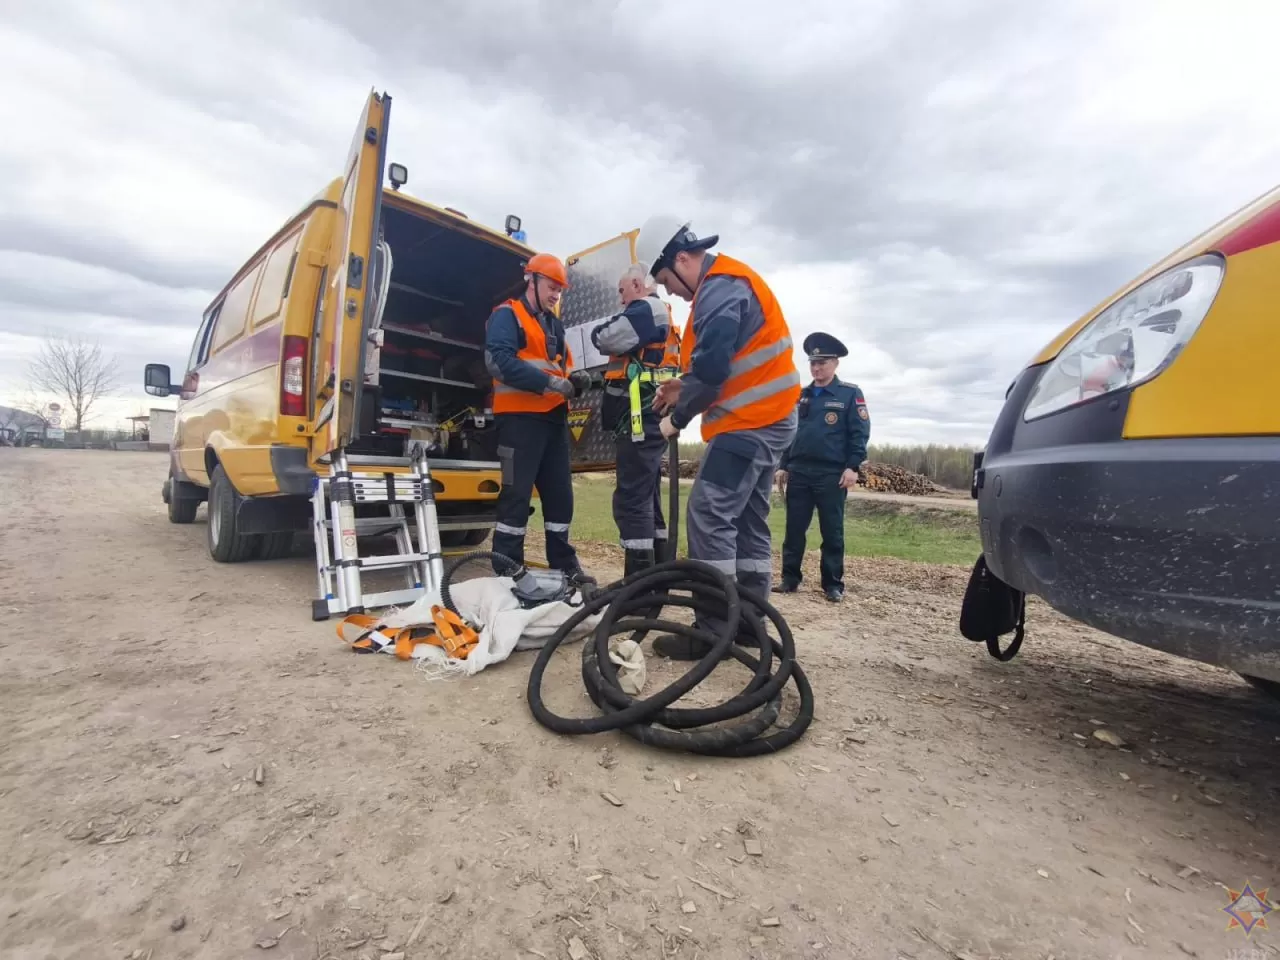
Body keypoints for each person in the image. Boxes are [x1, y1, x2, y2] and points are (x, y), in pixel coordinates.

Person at [635, 215, 802, 659]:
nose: (669, 290)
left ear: (683, 259)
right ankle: (748, 624)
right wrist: (681, 387)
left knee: (709, 515)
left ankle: (714, 630)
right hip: (769, 419)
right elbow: (719, 365)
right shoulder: (727, 284)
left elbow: (711, 373)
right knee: (746, 521)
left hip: (750, 424)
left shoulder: (720, 290)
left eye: (666, 279)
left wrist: (680, 416)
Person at [483, 252, 594, 586]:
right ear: (531, 280)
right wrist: (548, 382)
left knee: (560, 497)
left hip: (552, 421)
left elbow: (562, 366)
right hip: (519, 421)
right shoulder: (507, 315)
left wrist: (576, 379)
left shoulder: (553, 324)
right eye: (551, 286)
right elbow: (498, 362)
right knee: (516, 497)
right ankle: (507, 566)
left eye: (560, 289)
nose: (556, 294)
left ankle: (564, 564)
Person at [591, 263, 683, 575]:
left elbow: (605, 338)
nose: (620, 300)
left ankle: (638, 583)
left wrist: (597, 329)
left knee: (632, 500)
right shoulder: (663, 312)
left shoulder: (646, 309)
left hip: (638, 419)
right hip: (651, 416)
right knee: (648, 497)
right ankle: (656, 581)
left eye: (621, 291)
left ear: (635, 284)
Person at [775, 332, 870, 602]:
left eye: (823, 363)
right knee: (794, 529)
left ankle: (832, 584)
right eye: (813, 363)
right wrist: (784, 464)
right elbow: (790, 432)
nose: (817, 368)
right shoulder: (800, 395)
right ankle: (790, 579)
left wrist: (853, 467)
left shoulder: (850, 394)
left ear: (835, 364)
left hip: (832, 474)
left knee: (832, 531)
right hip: (800, 472)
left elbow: (859, 433)